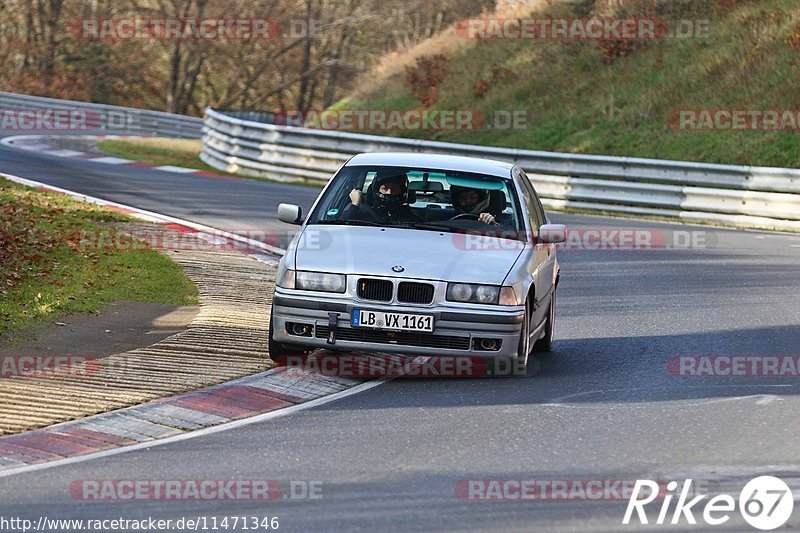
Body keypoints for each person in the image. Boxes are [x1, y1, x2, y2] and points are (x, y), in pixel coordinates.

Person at [343, 170, 419, 224]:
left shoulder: (412, 220)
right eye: (385, 188)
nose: (389, 192)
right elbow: (343, 225)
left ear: (403, 191)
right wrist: (355, 205)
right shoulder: (364, 213)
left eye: (395, 189)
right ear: (376, 189)